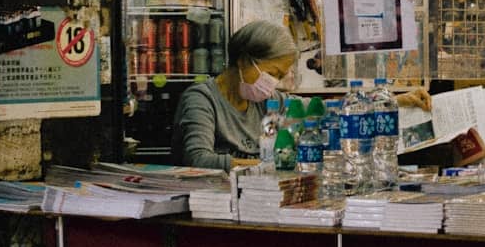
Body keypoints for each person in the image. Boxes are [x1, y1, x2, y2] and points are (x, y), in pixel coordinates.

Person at [172, 20, 432, 172]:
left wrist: (395, 101)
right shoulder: (201, 100)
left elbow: (320, 109)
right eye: (272, 72)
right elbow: (198, 159)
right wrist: (267, 166)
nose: (272, 83)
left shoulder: (266, 101)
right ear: (243, 60)